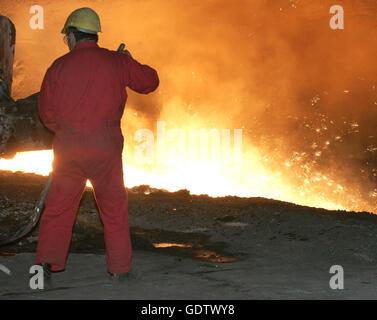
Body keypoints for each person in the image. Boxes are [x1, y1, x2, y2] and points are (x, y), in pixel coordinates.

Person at [35, 7, 159, 280]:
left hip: (69, 149)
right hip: (106, 149)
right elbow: (150, 81)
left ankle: (43, 270)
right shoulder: (117, 62)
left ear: (71, 35)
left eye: (66, 37)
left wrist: (67, 132)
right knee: (114, 209)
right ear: (94, 35)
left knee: (57, 209)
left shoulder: (57, 67)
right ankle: (120, 270)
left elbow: (46, 114)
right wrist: (129, 59)